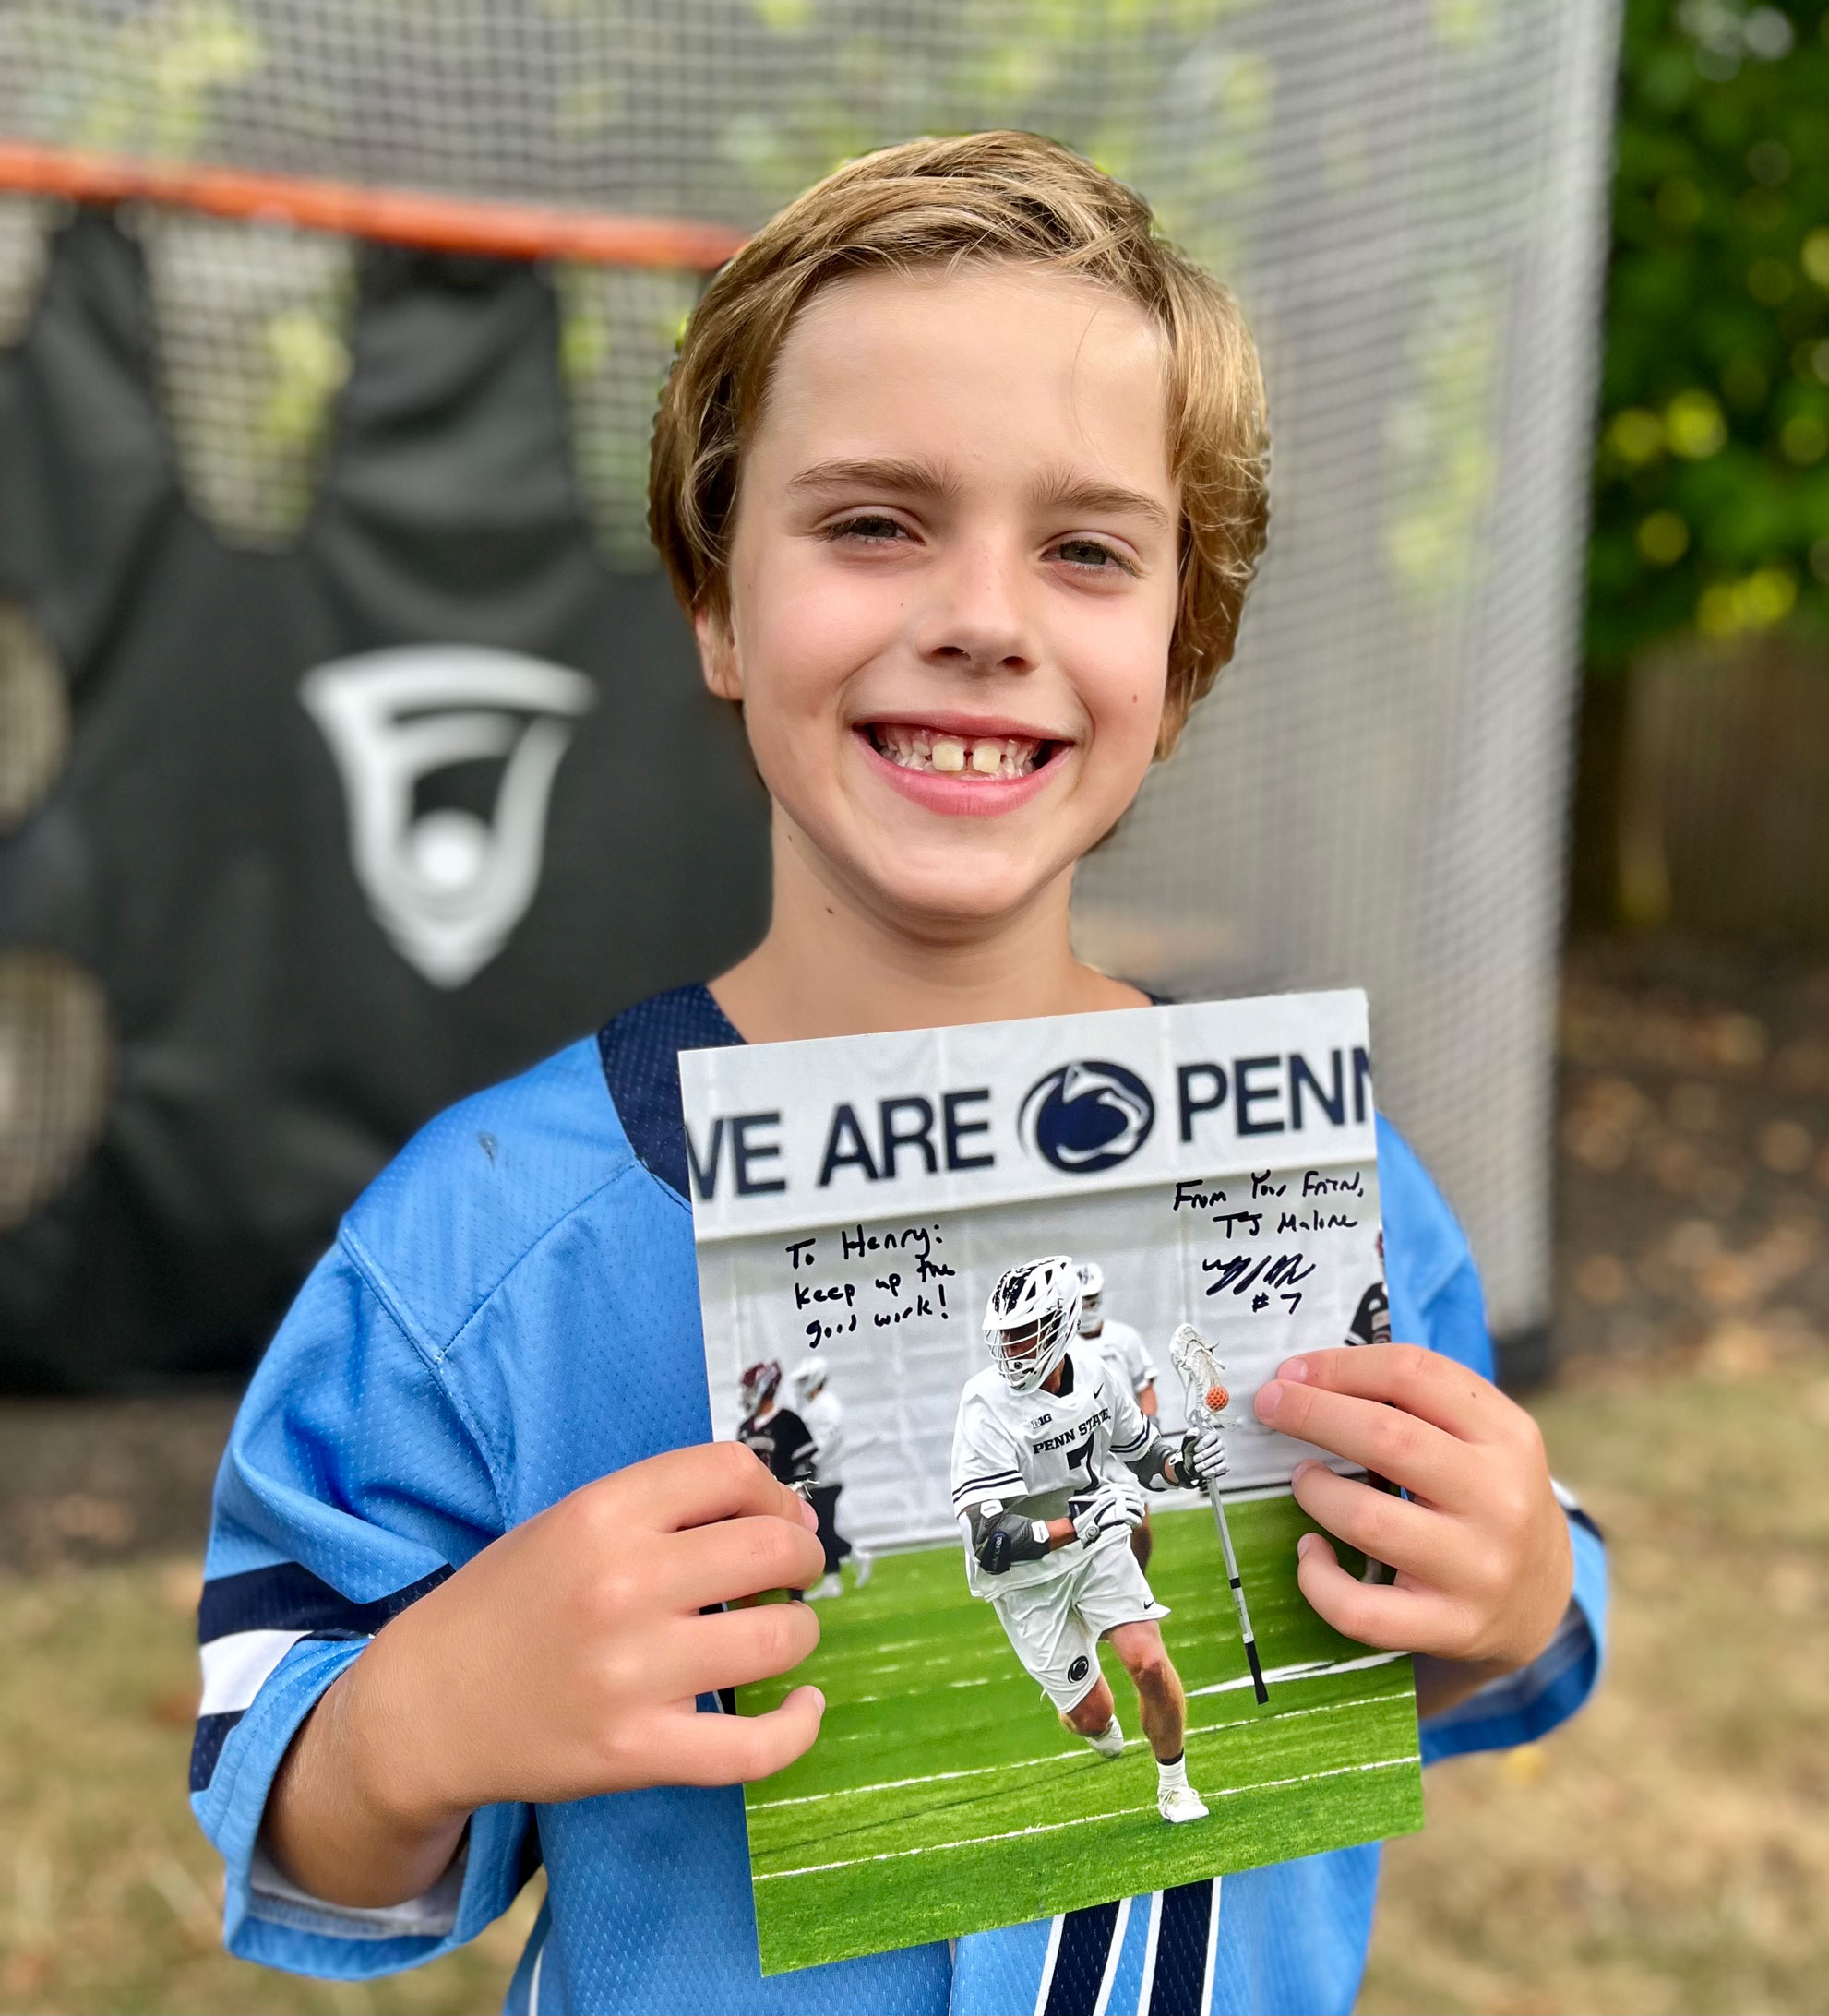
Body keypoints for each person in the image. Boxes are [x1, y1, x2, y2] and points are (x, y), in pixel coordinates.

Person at [190, 132, 1608, 2015]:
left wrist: (1520, 1594)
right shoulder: (479, 1250)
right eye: (873, 523)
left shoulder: (1327, 1178)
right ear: (714, 598)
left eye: (1087, 549)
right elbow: (281, 1789)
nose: (983, 616)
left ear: (1177, 661)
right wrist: (412, 1722)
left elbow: (1487, 1605)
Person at [953, 1257, 1225, 1822]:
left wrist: (1186, 1466)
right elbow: (992, 1542)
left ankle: (1175, 1785)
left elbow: (1144, 1455)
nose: (1012, 1349)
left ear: (1060, 1323)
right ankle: (1084, 1713)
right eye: (1004, 1336)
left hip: (1095, 1538)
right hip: (1026, 1574)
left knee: (1148, 1663)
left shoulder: (1099, 1371)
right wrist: (1077, 1525)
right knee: (1093, 1718)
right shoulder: (983, 1405)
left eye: (1024, 1333)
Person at [1075, 1259, 1162, 1569]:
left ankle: (1139, 1582)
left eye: (1090, 1300)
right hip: (1084, 1453)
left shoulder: (1125, 1338)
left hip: (1126, 1449)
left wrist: (1148, 1425)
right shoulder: (1064, 1348)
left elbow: (1145, 1387)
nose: (1086, 1308)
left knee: (1139, 1525)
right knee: (1088, 1530)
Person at [787, 1359, 872, 1600]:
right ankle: (834, 1578)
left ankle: (856, 1556)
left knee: (822, 1530)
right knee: (822, 1529)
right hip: (816, 1478)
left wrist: (814, 1459)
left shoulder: (827, 1406)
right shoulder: (812, 1406)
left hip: (827, 1478)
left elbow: (829, 1438)